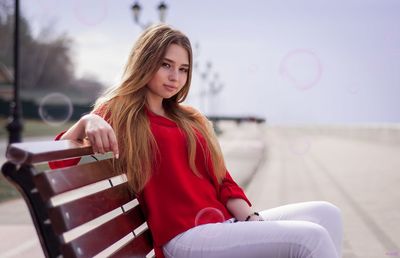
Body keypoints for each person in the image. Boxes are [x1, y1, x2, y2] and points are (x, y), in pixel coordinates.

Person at [49, 24, 343, 258]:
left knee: (326, 213)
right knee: (310, 239)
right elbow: (57, 160)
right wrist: (88, 121)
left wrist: (252, 221)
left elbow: (222, 181)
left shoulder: (190, 119)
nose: (175, 76)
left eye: (183, 69)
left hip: (221, 226)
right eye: (166, 65)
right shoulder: (121, 114)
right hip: (184, 237)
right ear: (145, 62)